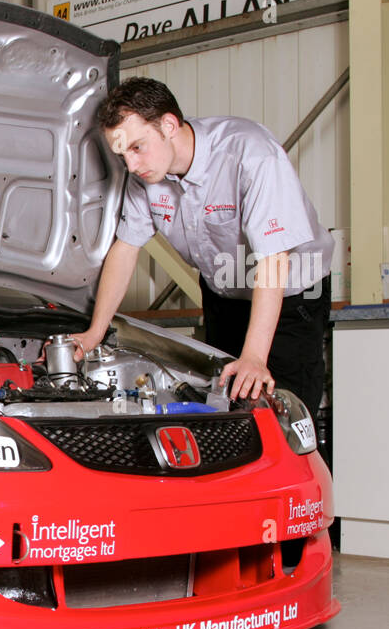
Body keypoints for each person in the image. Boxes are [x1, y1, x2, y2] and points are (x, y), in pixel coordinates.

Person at [69, 77, 334, 413]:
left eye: (137, 147)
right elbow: (126, 248)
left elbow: (274, 258)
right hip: (225, 293)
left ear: (168, 124)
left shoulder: (250, 154)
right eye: (122, 155)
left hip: (290, 295)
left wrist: (254, 355)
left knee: (283, 409)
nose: (131, 166)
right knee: (225, 405)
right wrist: (95, 332)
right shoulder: (146, 175)